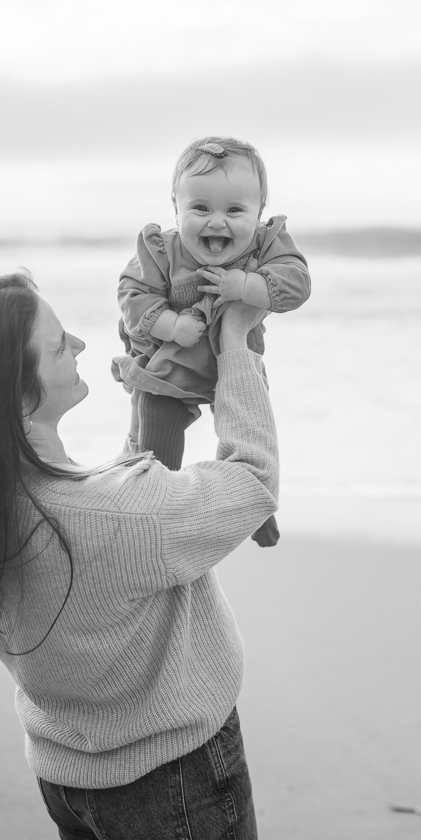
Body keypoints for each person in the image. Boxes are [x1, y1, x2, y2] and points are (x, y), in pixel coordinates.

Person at [0, 270, 279, 840]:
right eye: (59, 346)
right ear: (13, 390)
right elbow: (251, 483)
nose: (83, 345)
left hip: (68, 779)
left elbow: (104, 516)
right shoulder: (117, 519)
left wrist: (151, 410)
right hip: (177, 780)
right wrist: (237, 345)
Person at [113, 135, 310, 548]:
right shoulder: (160, 251)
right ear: (175, 207)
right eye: (200, 208)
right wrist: (168, 324)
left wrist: (247, 284)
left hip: (234, 362)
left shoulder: (266, 244)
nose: (217, 222)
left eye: (235, 210)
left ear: (259, 214)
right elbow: (132, 295)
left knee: (249, 435)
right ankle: (153, 511)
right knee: (154, 448)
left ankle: (255, 509)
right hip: (171, 369)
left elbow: (297, 285)